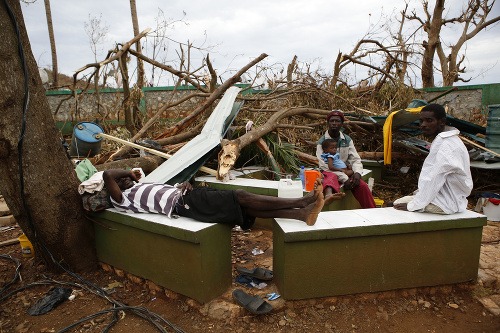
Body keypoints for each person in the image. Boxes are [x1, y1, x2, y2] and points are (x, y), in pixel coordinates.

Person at [101, 168, 327, 228]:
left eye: (127, 179)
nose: (126, 181)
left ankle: (301, 215)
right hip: (185, 204)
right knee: (241, 196)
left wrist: (184, 185)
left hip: (187, 197)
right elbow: (107, 174)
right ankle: (300, 201)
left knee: (246, 209)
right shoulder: (121, 199)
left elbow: (168, 191)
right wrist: (129, 173)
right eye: (122, 182)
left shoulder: (141, 187)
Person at [393, 103, 473, 214]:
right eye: (421, 121)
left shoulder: (446, 145)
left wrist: (414, 205)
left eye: (429, 120)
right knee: (398, 203)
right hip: (443, 198)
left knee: (400, 207)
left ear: (442, 122)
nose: (423, 125)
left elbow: (434, 179)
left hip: (445, 203)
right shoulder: (448, 140)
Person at [316, 110, 376, 208]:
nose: (334, 123)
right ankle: (328, 199)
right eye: (332, 121)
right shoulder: (322, 142)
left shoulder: (347, 140)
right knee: (329, 181)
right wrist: (344, 178)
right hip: (330, 172)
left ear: (342, 124)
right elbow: (324, 166)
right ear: (328, 123)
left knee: (362, 186)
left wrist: (357, 173)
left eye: (337, 121)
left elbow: (355, 159)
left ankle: (373, 213)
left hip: (345, 171)